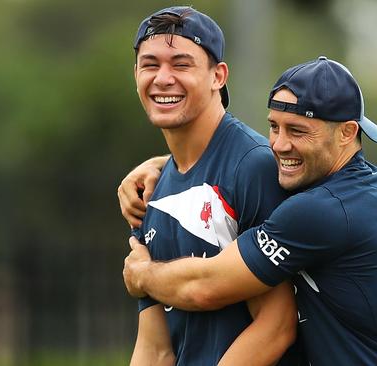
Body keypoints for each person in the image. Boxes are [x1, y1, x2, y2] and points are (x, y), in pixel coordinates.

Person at [121, 56, 377, 365]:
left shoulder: (322, 211)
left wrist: (142, 275)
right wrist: (167, 165)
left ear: (347, 133)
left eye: (297, 131)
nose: (279, 144)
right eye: (274, 126)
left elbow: (205, 286)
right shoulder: (365, 185)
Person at [121, 6, 300, 365]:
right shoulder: (148, 192)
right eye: (151, 64)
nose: (163, 78)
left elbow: (277, 324)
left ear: (218, 76)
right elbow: (155, 348)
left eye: (181, 64)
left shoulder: (253, 166)